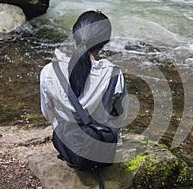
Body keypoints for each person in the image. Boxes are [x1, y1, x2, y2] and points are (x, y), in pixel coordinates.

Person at [40, 10, 128, 164]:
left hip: (65, 143)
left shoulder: (49, 71)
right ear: (104, 42)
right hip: (100, 148)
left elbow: (47, 114)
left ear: (74, 35)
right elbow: (122, 117)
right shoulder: (114, 74)